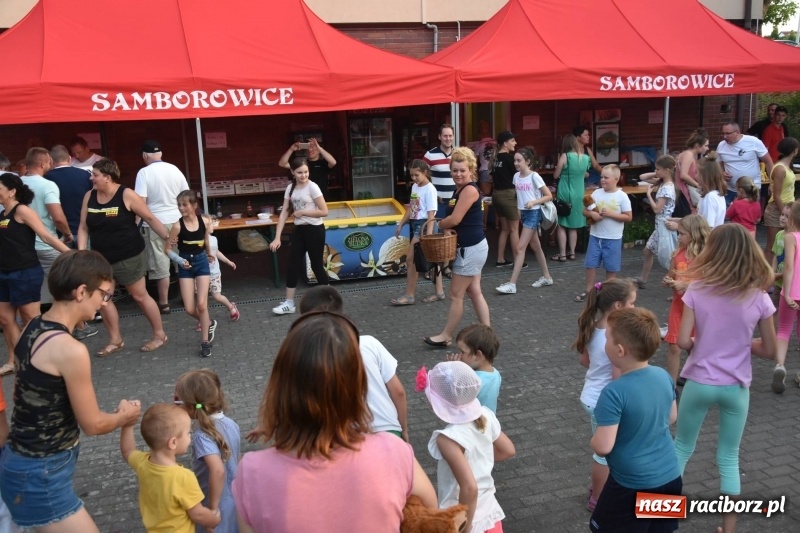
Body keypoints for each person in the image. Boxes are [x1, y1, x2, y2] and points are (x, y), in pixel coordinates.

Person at [233, 312, 437, 531]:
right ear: (357, 387)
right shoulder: (394, 451)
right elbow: (431, 517)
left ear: (281, 386)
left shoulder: (252, 472)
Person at [0, 250, 142, 532]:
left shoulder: (32, 326)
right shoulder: (70, 350)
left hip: (22, 462)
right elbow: (93, 424)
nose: (103, 303)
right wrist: (125, 417)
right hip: (41, 472)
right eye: (103, 294)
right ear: (80, 292)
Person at [675, 224, 776, 533]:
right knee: (728, 457)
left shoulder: (697, 289)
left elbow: (682, 341)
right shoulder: (758, 297)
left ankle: (662, 518)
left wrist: (701, 345)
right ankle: (728, 530)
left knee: (681, 449)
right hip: (736, 387)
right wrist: (744, 344)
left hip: (700, 381)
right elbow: (770, 350)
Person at [589, 307, 681, 533]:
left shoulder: (614, 392)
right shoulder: (663, 375)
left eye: (607, 339)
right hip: (670, 476)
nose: (605, 343)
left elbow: (602, 447)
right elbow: (671, 417)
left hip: (631, 484)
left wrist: (593, 441)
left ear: (620, 350)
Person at [78, 159, 170, 355]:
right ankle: (116, 340)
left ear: (107, 178)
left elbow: (150, 218)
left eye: (94, 175)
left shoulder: (126, 195)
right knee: (102, 299)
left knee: (139, 295)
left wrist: (168, 239)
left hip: (128, 255)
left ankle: (159, 335)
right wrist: (81, 252)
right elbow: (83, 227)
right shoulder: (89, 196)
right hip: (101, 259)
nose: (91, 178)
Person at [300, 286, 409, 440]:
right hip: (389, 430)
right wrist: (403, 429)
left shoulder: (310, 355)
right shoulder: (370, 343)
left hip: (350, 436)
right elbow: (398, 392)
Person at [424, 361, 516, 532]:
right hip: (489, 511)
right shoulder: (485, 415)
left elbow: (469, 487)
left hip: (461, 518)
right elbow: (508, 450)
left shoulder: (448, 438)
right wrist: (480, 457)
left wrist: (465, 528)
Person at [573, 278, 636, 512]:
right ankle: (598, 498)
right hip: (605, 401)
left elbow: (584, 360)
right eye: (632, 303)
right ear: (618, 306)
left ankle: (596, 488)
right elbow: (618, 376)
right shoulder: (616, 334)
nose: (634, 308)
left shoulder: (594, 324)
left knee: (604, 450)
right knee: (604, 454)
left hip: (591, 395)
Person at [0, 172, 70, 375]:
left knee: (30, 317)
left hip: (25, 271)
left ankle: (44, 359)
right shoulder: (2, 214)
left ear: (12, 192)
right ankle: (15, 360)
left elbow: (46, 237)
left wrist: (72, 254)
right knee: (5, 319)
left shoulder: (22, 211)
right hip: (4, 273)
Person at [424, 148, 490, 347]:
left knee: (455, 294)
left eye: (462, 170)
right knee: (474, 291)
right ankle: (488, 334)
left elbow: (455, 219)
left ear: (471, 170)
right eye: (454, 170)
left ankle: (446, 335)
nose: (458, 174)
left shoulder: (469, 190)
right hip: (472, 247)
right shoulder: (459, 190)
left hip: (471, 249)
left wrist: (441, 224)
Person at [121, 403, 221, 532]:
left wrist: (127, 425)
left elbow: (127, 451)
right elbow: (198, 514)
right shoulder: (182, 477)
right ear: (173, 442)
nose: (190, 436)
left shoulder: (142, 462)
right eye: (187, 433)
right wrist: (214, 519)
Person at [174, 369, 241, 533]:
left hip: (215, 500)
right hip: (233, 496)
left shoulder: (201, 436)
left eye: (178, 402)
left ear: (190, 406)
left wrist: (212, 508)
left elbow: (217, 469)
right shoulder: (230, 423)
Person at [134, 140, 190, 315]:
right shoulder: (175, 169)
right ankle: (189, 296)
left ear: (145, 155)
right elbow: (187, 196)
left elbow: (140, 202)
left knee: (160, 262)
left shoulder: (144, 173)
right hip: (179, 221)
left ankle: (164, 303)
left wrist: (135, 224)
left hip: (155, 223)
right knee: (184, 258)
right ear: (161, 154)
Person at [269, 156, 329, 315]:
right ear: (292, 172)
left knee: (316, 265)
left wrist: (303, 212)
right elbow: (284, 213)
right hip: (300, 230)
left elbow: (324, 211)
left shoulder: (313, 187)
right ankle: (289, 303)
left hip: (315, 230)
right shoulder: (290, 188)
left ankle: (329, 300)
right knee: (292, 264)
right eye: (300, 172)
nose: (303, 175)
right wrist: (277, 237)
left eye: (306, 172)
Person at [495, 146, 553, 293]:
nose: (516, 163)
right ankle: (547, 277)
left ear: (527, 161)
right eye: (515, 160)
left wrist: (534, 202)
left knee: (520, 248)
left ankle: (512, 284)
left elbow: (548, 195)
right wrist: (520, 210)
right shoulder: (516, 177)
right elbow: (519, 196)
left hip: (534, 213)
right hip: (525, 213)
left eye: (519, 160)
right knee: (536, 247)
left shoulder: (534, 176)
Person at [165, 191, 216, 357]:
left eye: (184, 204)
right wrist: (179, 260)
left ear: (194, 206)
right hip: (185, 264)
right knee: (188, 308)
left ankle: (205, 342)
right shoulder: (177, 226)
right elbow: (167, 250)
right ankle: (208, 323)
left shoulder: (205, 221)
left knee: (202, 304)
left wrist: (209, 252)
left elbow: (206, 239)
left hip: (201, 262)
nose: (181, 208)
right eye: (179, 205)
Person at [20, 147, 73, 307]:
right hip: (46, 244)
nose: (51, 164)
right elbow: (57, 217)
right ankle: (78, 326)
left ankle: (27, 322)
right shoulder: (47, 185)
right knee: (62, 284)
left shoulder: (16, 185)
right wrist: (67, 233)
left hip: (23, 246)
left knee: (27, 287)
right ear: (43, 164)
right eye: (50, 161)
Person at [661, 215, 710, 385]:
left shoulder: (706, 257)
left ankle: (697, 376)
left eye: (682, 234)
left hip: (698, 310)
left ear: (694, 234)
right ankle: (672, 387)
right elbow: (671, 273)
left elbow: (710, 285)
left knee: (694, 346)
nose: (678, 237)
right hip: (678, 306)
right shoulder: (678, 253)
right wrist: (668, 280)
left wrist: (684, 285)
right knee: (674, 346)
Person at [575, 165, 632, 303]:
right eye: (601, 177)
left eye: (606, 177)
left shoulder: (622, 196)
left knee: (611, 267)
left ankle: (609, 293)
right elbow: (585, 211)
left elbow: (628, 217)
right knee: (590, 264)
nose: (602, 180)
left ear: (616, 179)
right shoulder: (596, 193)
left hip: (613, 238)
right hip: (595, 236)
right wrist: (592, 214)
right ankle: (589, 290)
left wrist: (611, 214)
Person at [391, 159, 444, 305]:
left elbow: (431, 215)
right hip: (417, 225)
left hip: (425, 226)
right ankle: (439, 292)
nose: (414, 178)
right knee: (433, 259)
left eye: (416, 175)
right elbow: (412, 208)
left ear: (425, 172)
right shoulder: (415, 186)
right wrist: (401, 224)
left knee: (411, 259)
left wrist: (428, 235)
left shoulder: (430, 189)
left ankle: (410, 295)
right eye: (412, 175)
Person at [635, 155, 677, 287]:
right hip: (660, 225)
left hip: (663, 225)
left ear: (667, 170)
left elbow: (657, 209)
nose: (656, 171)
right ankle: (643, 279)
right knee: (648, 251)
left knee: (668, 258)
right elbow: (642, 177)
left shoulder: (666, 188)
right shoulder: (664, 183)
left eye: (658, 169)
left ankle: (677, 282)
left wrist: (648, 195)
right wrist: (658, 172)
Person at [774, 202, 800, 394]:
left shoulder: (790, 237)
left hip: (792, 291)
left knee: (783, 330)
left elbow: (789, 267)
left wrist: (788, 293)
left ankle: (780, 365)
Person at [446, 324, 502, 413]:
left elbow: (454, 397)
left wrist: (454, 369)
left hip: (470, 423)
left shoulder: (473, 380)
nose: (459, 355)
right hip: (489, 422)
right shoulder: (496, 373)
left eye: (462, 351)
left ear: (478, 355)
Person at [553, 134, 591, 262]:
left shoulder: (565, 156)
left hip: (565, 192)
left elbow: (556, 175)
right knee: (573, 226)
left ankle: (563, 254)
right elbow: (586, 174)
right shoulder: (585, 158)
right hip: (579, 193)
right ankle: (573, 253)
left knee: (562, 224)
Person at [45, 145, 93, 245]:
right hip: (85, 229)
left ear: (51, 161)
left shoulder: (46, 178)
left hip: (60, 232)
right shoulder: (86, 175)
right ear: (70, 159)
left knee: (66, 260)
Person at [717, 121, 773, 205]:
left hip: (751, 189)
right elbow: (718, 164)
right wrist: (721, 173)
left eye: (728, 133)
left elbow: (768, 162)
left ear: (737, 132)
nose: (725, 136)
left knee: (749, 216)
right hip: (730, 190)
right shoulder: (721, 146)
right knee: (729, 216)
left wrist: (772, 183)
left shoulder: (753, 142)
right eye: (723, 133)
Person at [763, 137, 799, 265]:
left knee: (788, 242)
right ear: (795, 151)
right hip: (777, 208)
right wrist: (785, 213)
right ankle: (766, 275)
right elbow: (777, 194)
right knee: (771, 246)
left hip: (788, 207)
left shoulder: (787, 167)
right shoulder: (780, 168)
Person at [200, 214, 239, 323]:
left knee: (217, 296)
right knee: (201, 300)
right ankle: (203, 321)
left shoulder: (214, 239)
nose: (213, 225)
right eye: (211, 223)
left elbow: (217, 252)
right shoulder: (198, 241)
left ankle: (231, 306)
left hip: (214, 273)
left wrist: (228, 261)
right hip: (201, 273)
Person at [490, 131, 522, 267]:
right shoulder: (510, 158)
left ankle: (500, 259)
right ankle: (517, 261)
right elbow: (519, 177)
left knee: (505, 229)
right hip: (508, 195)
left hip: (496, 194)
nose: (515, 143)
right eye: (513, 140)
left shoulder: (495, 158)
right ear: (505, 143)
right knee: (515, 229)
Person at [424, 124, 456, 219]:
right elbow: (422, 177)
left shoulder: (458, 154)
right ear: (439, 137)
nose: (448, 138)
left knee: (454, 230)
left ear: (453, 137)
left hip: (454, 201)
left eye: (450, 136)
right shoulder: (429, 155)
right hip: (437, 202)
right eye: (445, 136)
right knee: (439, 230)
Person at [675, 129, 710, 213]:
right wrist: (698, 185)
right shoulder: (688, 155)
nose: (707, 148)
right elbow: (683, 175)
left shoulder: (685, 154)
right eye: (705, 145)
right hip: (683, 191)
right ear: (697, 145)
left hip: (681, 190)